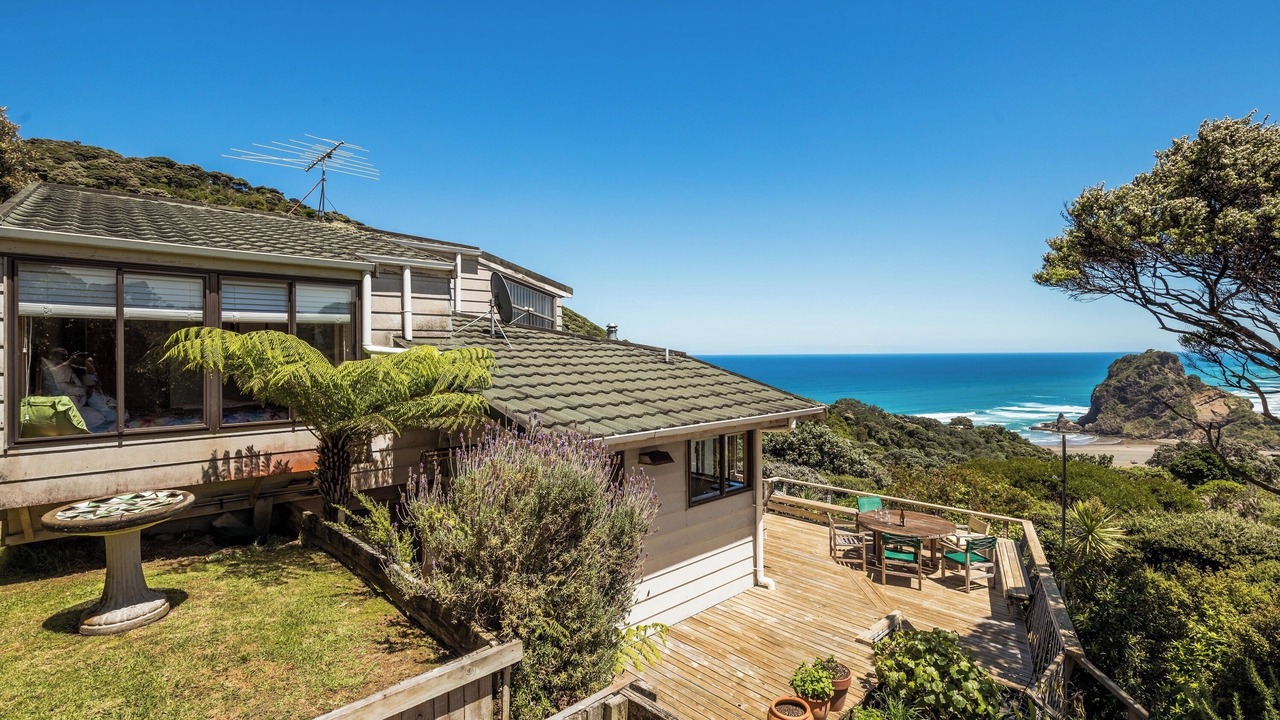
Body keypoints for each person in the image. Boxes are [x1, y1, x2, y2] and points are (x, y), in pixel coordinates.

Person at [40, 347, 117, 431]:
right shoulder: (50, 367)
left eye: (66, 355)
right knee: (100, 416)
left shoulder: (68, 366)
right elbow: (50, 371)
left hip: (84, 399)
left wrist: (86, 364)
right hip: (68, 406)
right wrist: (68, 362)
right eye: (62, 355)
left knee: (112, 409)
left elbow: (92, 380)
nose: (64, 357)